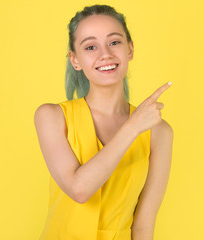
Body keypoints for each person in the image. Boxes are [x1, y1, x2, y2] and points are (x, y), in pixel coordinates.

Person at [34, 4, 173, 240]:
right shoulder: (51, 117)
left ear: (130, 49)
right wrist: (133, 126)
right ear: (75, 59)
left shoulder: (158, 132)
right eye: (90, 47)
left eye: (115, 42)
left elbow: (143, 225)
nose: (105, 54)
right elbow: (80, 189)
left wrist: (139, 124)